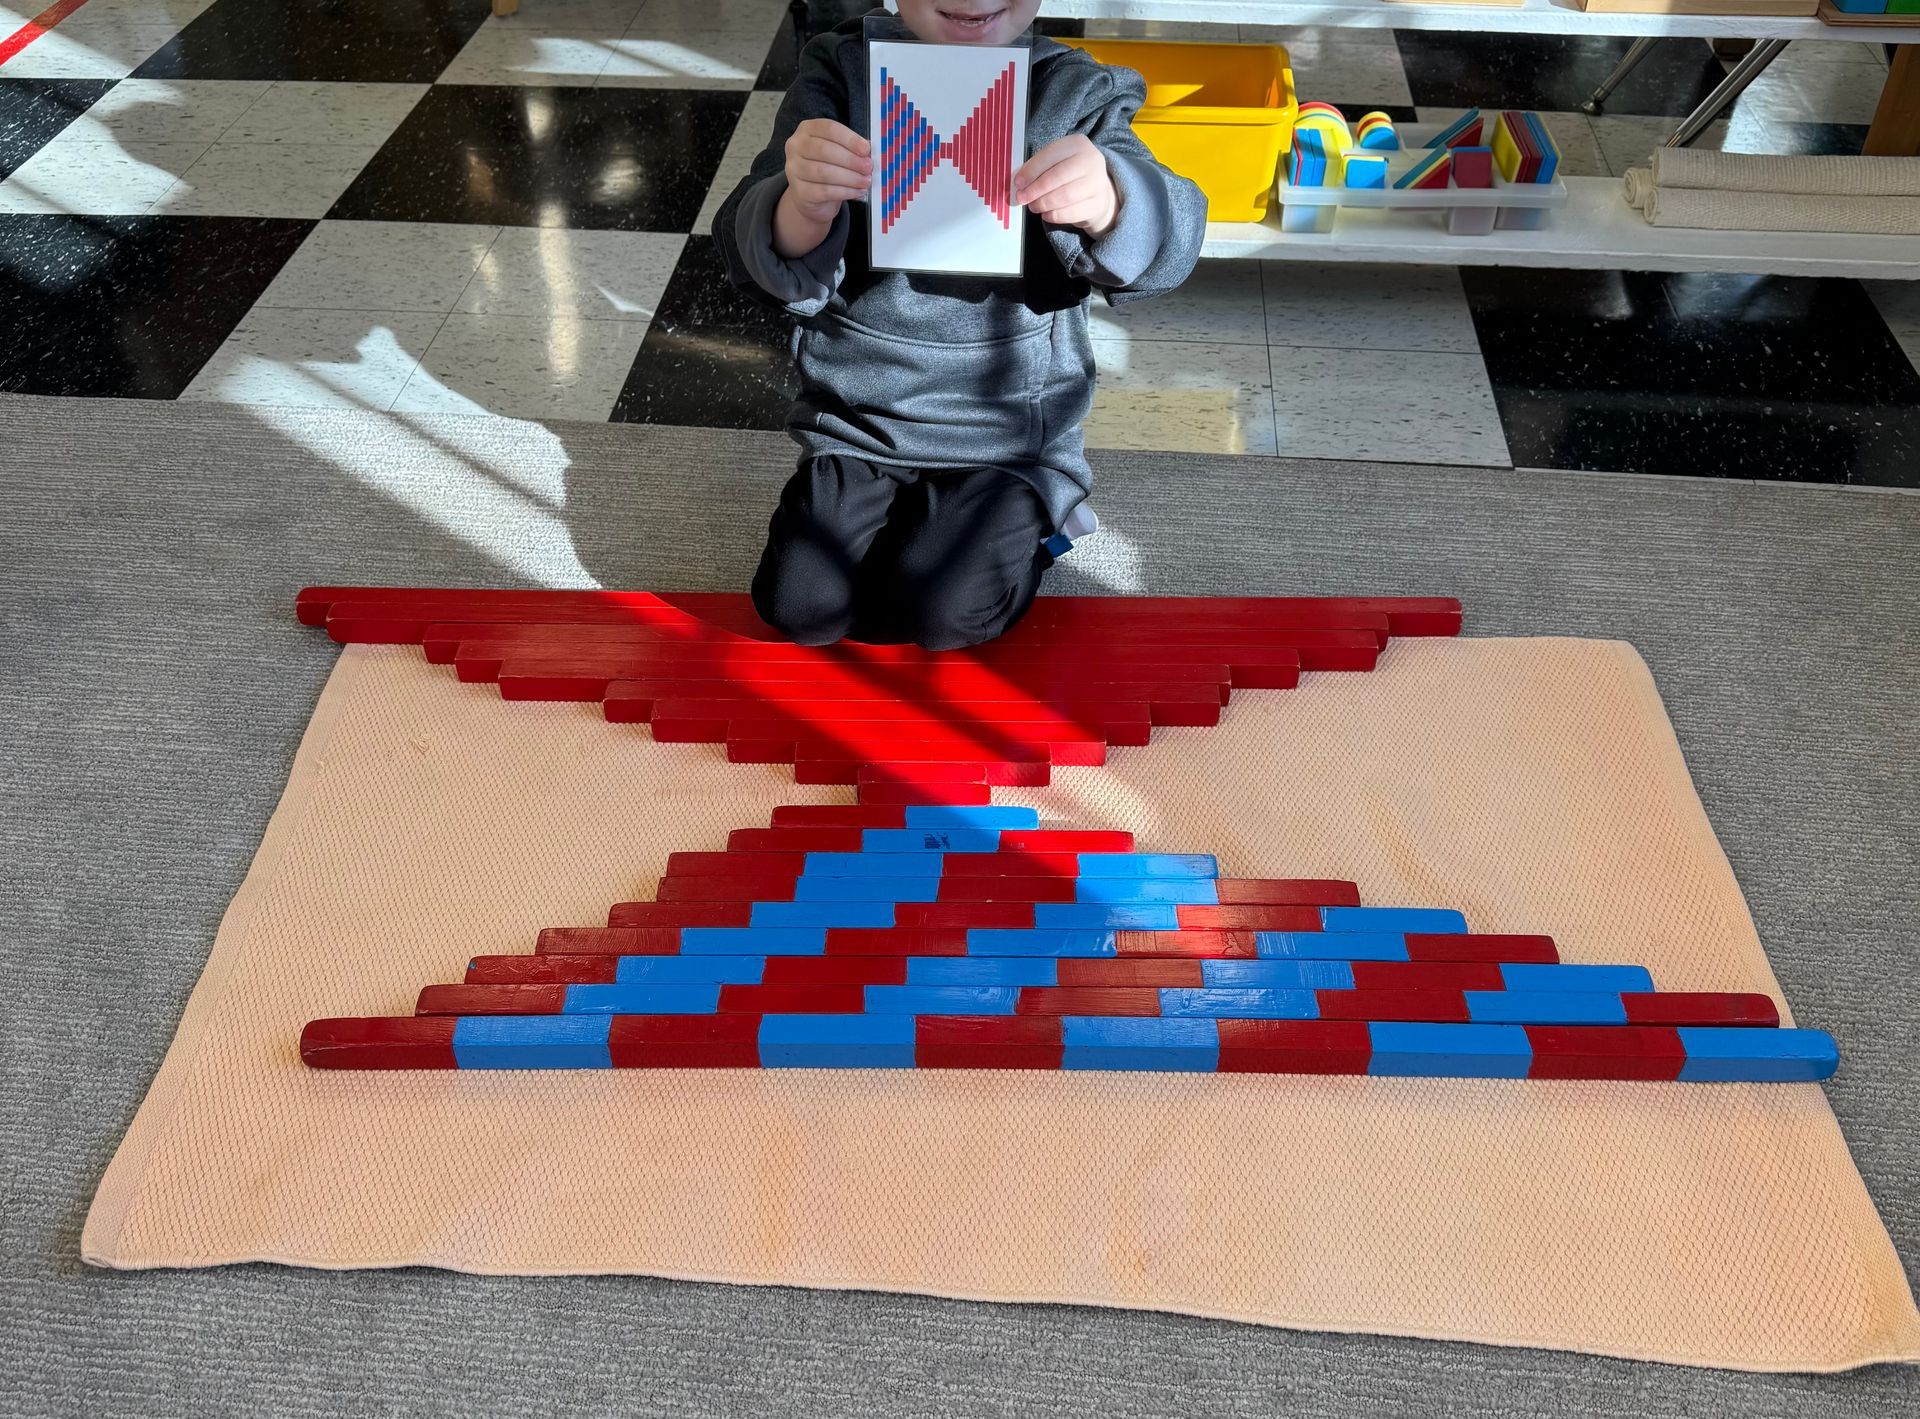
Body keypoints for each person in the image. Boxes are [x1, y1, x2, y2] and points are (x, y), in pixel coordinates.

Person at [713, 0, 1207, 650]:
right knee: (802, 609)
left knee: (941, 614)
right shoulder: (838, 70)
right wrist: (800, 202)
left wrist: (1112, 201)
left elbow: (1173, 242)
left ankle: (1045, 525)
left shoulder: (1075, 91)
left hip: (1009, 441)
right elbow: (747, 246)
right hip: (859, 424)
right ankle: (920, 527)